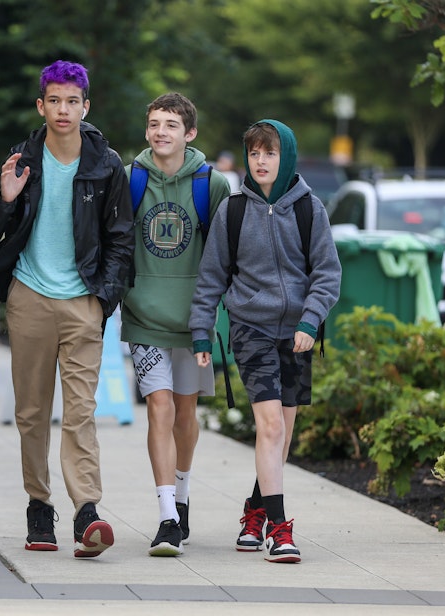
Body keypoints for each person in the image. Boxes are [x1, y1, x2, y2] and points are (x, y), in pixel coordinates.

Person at [0, 60, 134, 558]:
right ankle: (39, 505)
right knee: (32, 414)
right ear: (41, 105)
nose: (63, 109)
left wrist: (102, 301)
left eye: (72, 101)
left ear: (85, 106)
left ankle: (86, 511)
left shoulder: (106, 164)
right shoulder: (21, 157)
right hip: (29, 299)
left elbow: (121, 240)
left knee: (80, 413)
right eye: (53, 100)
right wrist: (5, 199)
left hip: (83, 304)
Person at [189, 119, 341, 563]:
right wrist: (202, 330)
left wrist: (310, 322)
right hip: (250, 329)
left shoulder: (309, 208)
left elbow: (327, 274)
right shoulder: (233, 211)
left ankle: (253, 512)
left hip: (297, 334)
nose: (261, 161)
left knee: (283, 434)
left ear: (286, 156)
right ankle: (279, 529)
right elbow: (211, 277)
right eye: (254, 153)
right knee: (271, 427)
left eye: (270, 153)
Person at [120, 93, 231, 557]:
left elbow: (227, 254)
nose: (160, 131)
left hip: (194, 320)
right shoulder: (130, 180)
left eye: (170, 124)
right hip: (144, 316)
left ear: (190, 133)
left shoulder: (213, 184)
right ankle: (167, 516)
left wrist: (218, 316)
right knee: (159, 408)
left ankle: (182, 497)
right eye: (153, 123)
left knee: (186, 414)